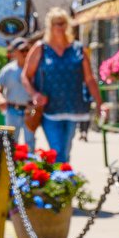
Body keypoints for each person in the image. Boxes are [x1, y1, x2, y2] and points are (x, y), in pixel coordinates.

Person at [23, 9, 101, 162]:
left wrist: (99, 103)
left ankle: (61, 181)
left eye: (63, 23)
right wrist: (34, 94)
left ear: (68, 25)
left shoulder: (78, 49)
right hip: (49, 109)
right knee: (57, 150)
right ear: (50, 26)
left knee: (66, 150)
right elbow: (25, 76)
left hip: (73, 107)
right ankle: (61, 181)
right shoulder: (41, 48)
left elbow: (89, 79)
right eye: (56, 23)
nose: (59, 26)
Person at [0, 38, 33, 132]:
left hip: (30, 110)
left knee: (30, 142)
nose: (25, 53)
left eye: (27, 50)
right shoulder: (8, 70)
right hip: (12, 111)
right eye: (22, 50)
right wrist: (0, 99)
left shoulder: (34, 68)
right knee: (11, 141)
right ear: (15, 52)